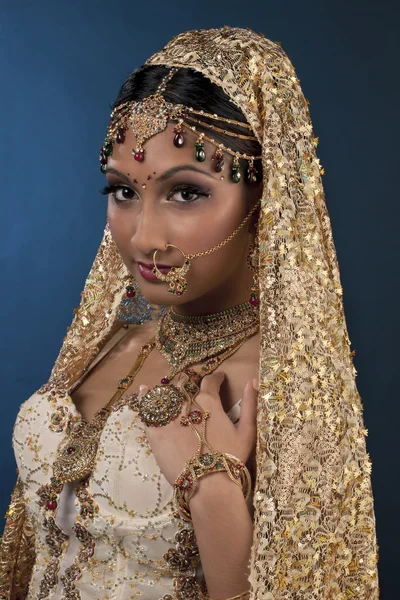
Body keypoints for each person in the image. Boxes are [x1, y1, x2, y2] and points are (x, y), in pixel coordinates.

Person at [0, 26, 379, 600]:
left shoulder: (284, 390)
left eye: (186, 192)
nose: (143, 237)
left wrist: (213, 495)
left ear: (266, 198)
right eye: (123, 191)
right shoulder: (111, 342)